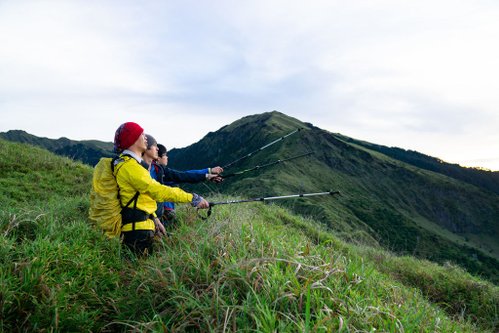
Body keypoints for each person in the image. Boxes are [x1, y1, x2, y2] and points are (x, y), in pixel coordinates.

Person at [113, 122, 209, 256]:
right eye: (141, 134)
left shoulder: (130, 164)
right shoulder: (131, 167)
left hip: (140, 226)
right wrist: (192, 198)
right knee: (141, 273)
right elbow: (158, 190)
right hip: (137, 232)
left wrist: (154, 219)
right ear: (133, 139)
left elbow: (141, 199)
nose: (145, 137)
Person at [141, 135, 223, 226]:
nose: (157, 149)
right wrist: (193, 198)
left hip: (155, 216)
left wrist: (207, 174)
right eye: (165, 155)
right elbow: (183, 176)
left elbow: (183, 175)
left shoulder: (159, 170)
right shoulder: (140, 169)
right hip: (149, 215)